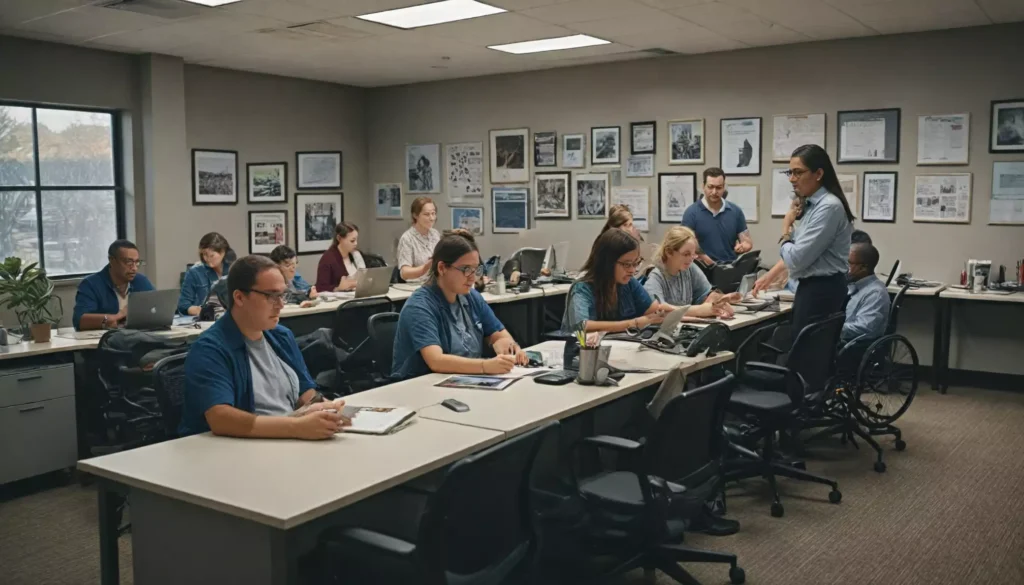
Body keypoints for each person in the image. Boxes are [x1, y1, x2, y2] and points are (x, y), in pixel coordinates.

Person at [178, 255, 351, 439]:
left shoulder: (281, 336)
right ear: (239, 297)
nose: (280, 305)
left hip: (282, 438)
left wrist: (325, 409)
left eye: (282, 295)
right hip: (233, 448)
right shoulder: (210, 349)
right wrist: (296, 427)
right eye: (271, 296)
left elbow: (305, 392)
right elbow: (221, 418)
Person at [391, 232, 528, 379]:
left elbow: (499, 333)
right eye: (466, 269)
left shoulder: (471, 297)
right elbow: (436, 361)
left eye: (476, 269)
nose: (472, 277)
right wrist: (485, 366)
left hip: (462, 380)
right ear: (442, 268)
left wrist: (509, 346)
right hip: (421, 385)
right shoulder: (419, 306)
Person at [753, 144, 854, 337]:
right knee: (804, 347)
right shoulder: (812, 205)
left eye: (798, 172)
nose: (792, 179)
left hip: (821, 289)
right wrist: (771, 275)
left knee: (809, 351)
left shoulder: (828, 207)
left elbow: (797, 258)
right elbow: (801, 251)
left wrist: (786, 230)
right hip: (814, 288)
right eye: (790, 172)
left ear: (818, 174)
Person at [562, 229, 672, 333]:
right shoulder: (582, 288)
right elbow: (582, 326)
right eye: (627, 264)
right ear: (607, 262)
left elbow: (652, 311)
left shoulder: (629, 283)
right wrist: (633, 323)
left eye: (636, 263)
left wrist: (661, 312)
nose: (632, 270)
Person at [644, 227, 739, 318]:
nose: (690, 259)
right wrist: (699, 310)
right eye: (686, 254)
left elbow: (705, 295)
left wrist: (719, 300)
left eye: (693, 254)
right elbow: (658, 311)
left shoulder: (689, 268)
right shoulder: (655, 277)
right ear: (669, 252)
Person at [73, 240, 155, 330]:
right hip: (107, 338)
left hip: (138, 335)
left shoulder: (141, 281)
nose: (134, 268)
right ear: (112, 261)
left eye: (137, 262)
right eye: (129, 262)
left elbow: (157, 308)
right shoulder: (91, 284)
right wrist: (119, 316)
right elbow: (79, 320)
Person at [682, 167, 753, 265]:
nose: (714, 192)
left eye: (718, 187)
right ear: (703, 186)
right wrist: (708, 261)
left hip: (730, 267)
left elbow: (747, 242)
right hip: (702, 268)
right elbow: (685, 244)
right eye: (710, 187)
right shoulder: (691, 213)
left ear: (724, 187)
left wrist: (743, 246)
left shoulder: (736, 211)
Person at [843, 243, 890, 343]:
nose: (843, 268)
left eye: (848, 263)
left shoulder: (876, 293)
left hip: (856, 344)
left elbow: (863, 328)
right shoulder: (852, 285)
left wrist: (832, 330)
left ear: (864, 267)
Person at [178, 232, 232, 316]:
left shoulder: (234, 270)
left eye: (211, 255)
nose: (207, 259)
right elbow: (183, 305)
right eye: (204, 254)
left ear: (222, 252)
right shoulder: (194, 272)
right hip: (204, 320)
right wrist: (199, 311)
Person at [397, 197, 441, 283]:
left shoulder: (435, 234)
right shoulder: (407, 238)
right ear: (415, 215)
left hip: (434, 283)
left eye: (433, 213)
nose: (432, 218)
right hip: (415, 286)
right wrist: (425, 267)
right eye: (427, 214)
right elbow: (404, 273)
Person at [315, 222, 366, 292]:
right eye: (352, 241)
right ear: (339, 238)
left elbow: (364, 277)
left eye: (356, 240)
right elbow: (320, 288)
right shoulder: (328, 259)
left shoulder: (356, 255)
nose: (356, 243)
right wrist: (338, 288)